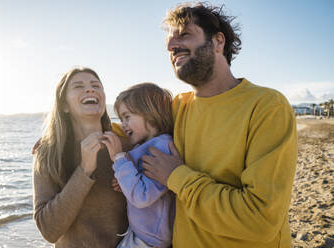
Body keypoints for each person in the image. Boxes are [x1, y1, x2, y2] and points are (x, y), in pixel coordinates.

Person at [141, 2, 298, 248]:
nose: (172, 47)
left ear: (218, 42)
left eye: (184, 35)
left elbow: (259, 219)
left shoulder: (267, 106)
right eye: (169, 45)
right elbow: (131, 129)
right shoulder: (178, 107)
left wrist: (176, 176)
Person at [32, 67, 130, 248]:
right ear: (64, 105)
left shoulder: (128, 147)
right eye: (78, 86)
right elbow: (48, 231)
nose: (90, 89)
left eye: (96, 85)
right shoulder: (48, 154)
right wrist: (84, 171)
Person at [101, 83, 175, 248]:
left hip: (149, 241)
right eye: (121, 119)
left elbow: (142, 196)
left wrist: (118, 158)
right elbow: (144, 186)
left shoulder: (161, 148)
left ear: (149, 115)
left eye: (127, 117)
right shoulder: (144, 146)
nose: (123, 125)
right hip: (141, 234)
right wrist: (126, 183)